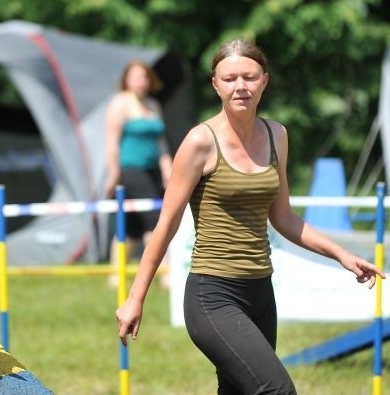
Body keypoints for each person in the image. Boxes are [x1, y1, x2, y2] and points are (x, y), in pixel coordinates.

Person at [115, 39, 384, 394]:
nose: (240, 86)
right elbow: (166, 225)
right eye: (229, 79)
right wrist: (136, 297)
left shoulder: (277, 135)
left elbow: (285, 217)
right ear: (215, 84)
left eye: (249, 77)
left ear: (264, 81)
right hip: (211, 296)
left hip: (260, 291)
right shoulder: (200, 142)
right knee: (277, 391)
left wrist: (343, 256)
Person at [104, 60, 172, 278]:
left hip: (152, 171)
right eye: (135, 77)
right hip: (130, 170)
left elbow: (160, 142)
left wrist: (167, 168)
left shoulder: (153, 105)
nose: (140, 81)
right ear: (126, 80)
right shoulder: (120, 103)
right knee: (156, 221)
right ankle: (166, 274)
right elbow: (111, 142)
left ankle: (115, 276)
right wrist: (114, 174)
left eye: (143, 77)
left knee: (131, 228)